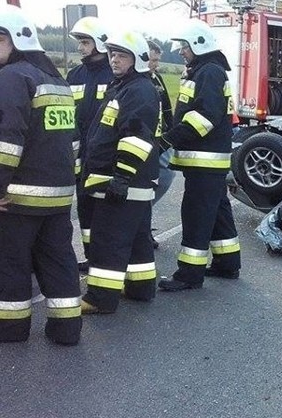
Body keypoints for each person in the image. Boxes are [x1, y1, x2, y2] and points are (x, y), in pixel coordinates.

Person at [0, 5, 82, 345]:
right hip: (59, 195)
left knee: (11, 263)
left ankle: (11, 329)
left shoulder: (11, 78)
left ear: (11, 40)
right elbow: (72, 142)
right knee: (59, 260)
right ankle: (66, 329)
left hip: (18, 196)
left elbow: (6, 141)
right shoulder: (56, 81)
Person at [80, 30, 159, 314]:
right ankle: (140, 287)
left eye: (121, 55)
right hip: (129, 181)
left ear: (136, 59)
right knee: (137, 239)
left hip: (123, 180)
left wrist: (121, 177)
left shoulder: (138, 90)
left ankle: (100, 297)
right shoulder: (128, 87)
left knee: (108, 240)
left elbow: (136, 137)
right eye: (112, 53)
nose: (114, 59)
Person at [158, 19, 241, 292]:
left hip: (205, 161)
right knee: (217, 212)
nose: (181, 51)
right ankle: (227, 264)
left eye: (184, 46)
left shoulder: (208, 73)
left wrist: (169, 139)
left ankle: (189, 275)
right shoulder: (205, 70)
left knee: (196, 215)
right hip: (209, 161)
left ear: (198, 45)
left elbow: (205, 117)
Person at [67, 16, 113, 269]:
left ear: (100, 43)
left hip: (105, 158)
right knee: (84, 209)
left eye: (85, 42)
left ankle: (107, 259)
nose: (80, 47)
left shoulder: (114, 74)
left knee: (104, 210)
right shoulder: (75, 75)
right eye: (80, 42)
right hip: (79, 157)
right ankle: (92, 256)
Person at [148, 41, 175, 249]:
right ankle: (142, 227)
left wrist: (171, 135)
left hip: (161, 140)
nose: (155, 65)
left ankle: (144, 221)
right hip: (143, 140)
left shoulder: (157, 78)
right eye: (152, 60)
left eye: (157, 60)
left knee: (165, 177)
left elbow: (166, 109)